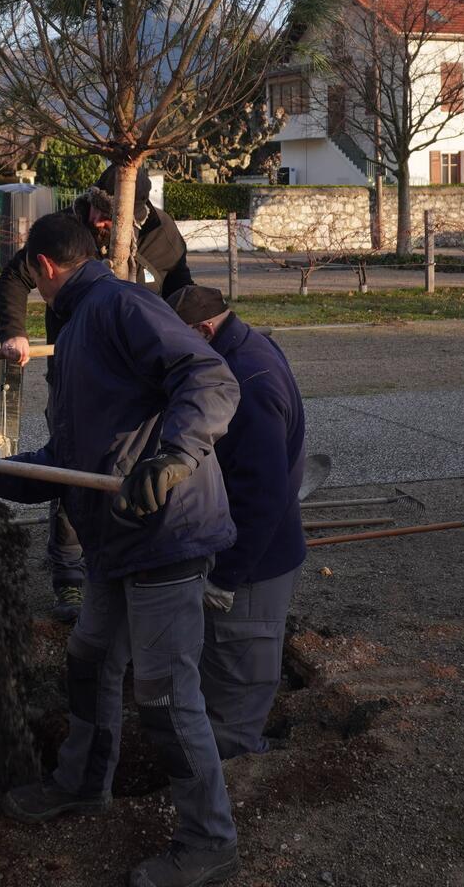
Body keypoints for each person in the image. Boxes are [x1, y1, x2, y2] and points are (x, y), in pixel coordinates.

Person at [0, 211, 244, 887]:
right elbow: (67, 462)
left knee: (164, 696)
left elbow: (210, 377)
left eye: (30, 276)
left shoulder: (120, 307)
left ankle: (210, 842)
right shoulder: (78, 324)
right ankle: (83, 782)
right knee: (89, 660)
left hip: (165, 529)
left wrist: (175, 456)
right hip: (116, 537)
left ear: (44, 267)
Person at [0, 165, 195, 620]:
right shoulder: (66, 232)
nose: (101, 222)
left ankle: (132, 557)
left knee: (137, 466)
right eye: (99, 212)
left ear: (135, 215)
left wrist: (192, 326)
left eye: (112, 216)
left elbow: (180, 285)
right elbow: (16, 275)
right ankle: (69, 576)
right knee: (72, 467)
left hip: (141, 379)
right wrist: (14, 332)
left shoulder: (162, 234)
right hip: (76, 372)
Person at [167, 284, 308, 760]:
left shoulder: (248, 383)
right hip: (250, 550)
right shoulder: (248, 345)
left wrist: (227, 576)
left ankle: (238, 770)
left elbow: (262, 495)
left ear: (205, 330)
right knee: (226, 665)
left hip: (254, 564)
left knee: (238, 676)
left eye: (178, 340)